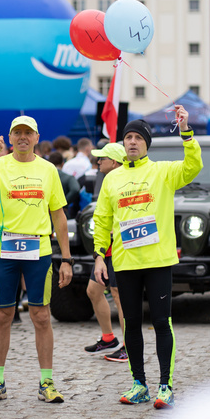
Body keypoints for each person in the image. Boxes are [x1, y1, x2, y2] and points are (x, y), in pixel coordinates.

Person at [93, 109, 201, 409]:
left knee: (161, 322)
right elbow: (102, 219)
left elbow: (193, 166)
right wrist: (100, 255)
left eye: (138, 138)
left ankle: (165, 385)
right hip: (126, 264)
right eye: (128, 137)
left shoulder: (163, 171)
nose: (131, 142)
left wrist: (186, 131)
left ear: (146, 144)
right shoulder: (112, 179)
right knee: (131, 325)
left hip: (157, 261)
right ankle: (139, 383)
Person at [0, 115, 73, 404]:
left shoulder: (48, 170)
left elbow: (58, 215)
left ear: (37, 138)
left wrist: (67, 258)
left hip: (38, 250)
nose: (23, 137)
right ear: (10, 138)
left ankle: (46, 382)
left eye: (28, 133)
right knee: (3, 315)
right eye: (18, 133)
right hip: (3, 250)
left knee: (41, 315)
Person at [82, 143, 126, 361]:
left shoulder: (125, 179)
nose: (98, 162)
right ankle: (109, 338)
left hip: (119, 247)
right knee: (93, 290)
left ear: (115, 162)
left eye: (102, 158)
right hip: (105, 248)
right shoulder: (108, 179)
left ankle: (129, 347)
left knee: (120, 297)